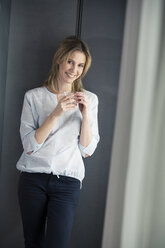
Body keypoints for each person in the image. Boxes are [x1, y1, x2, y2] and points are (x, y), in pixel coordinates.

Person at [16, 35, 100, 248]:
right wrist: (55, 113)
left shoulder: (90, 99)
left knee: (57, 244)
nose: (74, 69)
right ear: (59, 60)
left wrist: (86, 115)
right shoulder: (33, 97)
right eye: (70, 61)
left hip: (68, 182)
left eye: (80, 65)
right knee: (32, 242)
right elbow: (29, 146)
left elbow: (87, 150)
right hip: (33, 179)